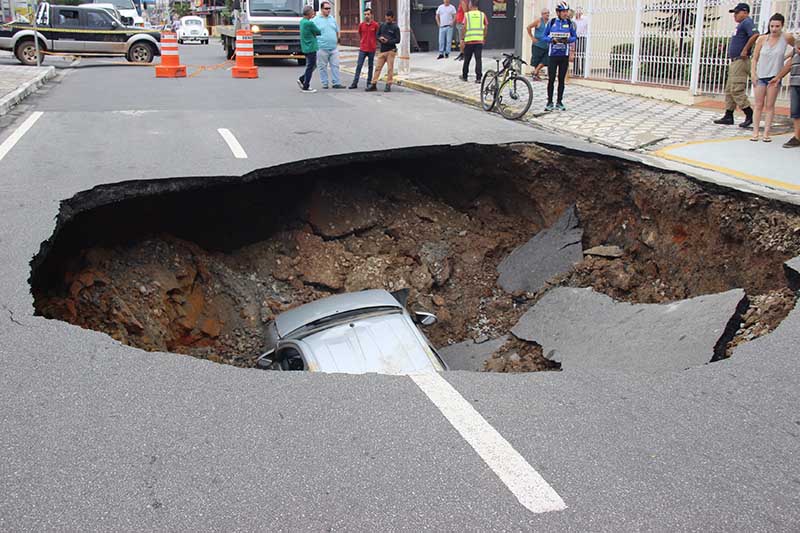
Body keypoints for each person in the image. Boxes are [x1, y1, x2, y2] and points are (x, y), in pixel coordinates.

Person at [749, 14, 794, 141]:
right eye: (772, 26)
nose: (774, 29)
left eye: (777, 26)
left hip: (775, 76)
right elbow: (755, 58)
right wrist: (753, 73)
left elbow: (797, 48)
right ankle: (755, 132)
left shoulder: (786, 38)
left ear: (782, 26)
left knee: (770, 105)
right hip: (761, 75)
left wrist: (785, 58)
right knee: (758, 104)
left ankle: (766, 133)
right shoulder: (762, 39)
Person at [713, 3, 759, 127]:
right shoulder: (740, 25)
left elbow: (755, 35)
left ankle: (749, 114)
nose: (735, 15)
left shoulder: (747, 22)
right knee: (729, 89)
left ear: (745, 12)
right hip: (735, 61)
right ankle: (729, 115)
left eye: (737, 12)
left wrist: (745, 49)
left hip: (740, 61)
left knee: (736, 89)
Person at [541, 1, 576, 111]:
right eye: (563, 12)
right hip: (553, 56)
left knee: (561, 79)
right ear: (558, 12)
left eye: (566, 11)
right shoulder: (551, 23)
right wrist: (552, 40)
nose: (565, 13)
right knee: (551, 79)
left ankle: (559, 101)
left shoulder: (569, 23)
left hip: (563, 56)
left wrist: (568, 40)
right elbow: (543, 36)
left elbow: (575, 37)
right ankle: (549, 102)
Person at [770, 37, 800, 148]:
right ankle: (797, 137)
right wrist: (778, 77)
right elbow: (790, 63)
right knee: (796, 112)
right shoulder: (797, 44)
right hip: (795, 82)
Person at [314, 1, 345, 89]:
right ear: (321, 9)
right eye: (326, 8)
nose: (328, 10)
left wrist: (337, 40)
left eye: (329, 8)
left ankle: (336, 82)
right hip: (321, 47)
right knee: (322, 66)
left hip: (333, 47)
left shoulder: (332, 19)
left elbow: (336, 30)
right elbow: (312, 33)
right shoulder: (316, 20)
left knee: (335, 65)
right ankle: (324, 83)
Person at [367, 10, 401, 92]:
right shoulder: (382, 25)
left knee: (390, 68)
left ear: (392, 18)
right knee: (378, 68)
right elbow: (377, 35)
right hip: (382, 50)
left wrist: (388, 41)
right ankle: (373, 84)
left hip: (391, 51)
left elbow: (398, 40)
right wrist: (380, 39)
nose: (387, 20)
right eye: (386, 18)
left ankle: (388, 84)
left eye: (389, 19)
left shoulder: (395, 27)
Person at [350, 7, 379, 89]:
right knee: (359, 65)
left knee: (370, 66)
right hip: (363, 48)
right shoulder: (361, 25)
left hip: (372, 49)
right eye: (365, 14)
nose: (366, 16)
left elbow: (377, 35)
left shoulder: (375, 25)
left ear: (371, 15)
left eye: (368, 14)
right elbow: (360, 34)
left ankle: (369, 83)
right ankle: (354, 83)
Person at [460, 0, 487, 83]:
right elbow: (486, 27)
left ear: (471, 5)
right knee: (478, 59)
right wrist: (484, 37)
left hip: (469, 41)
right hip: (479, 41)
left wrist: (462, 38)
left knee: (467, 59)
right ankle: (478, 78)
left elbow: (464, 27)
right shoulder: (482, 15)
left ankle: (465, 76)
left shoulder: (467, 15)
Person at [297, 5, 321, 93]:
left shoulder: (302, 22)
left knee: (312, 65)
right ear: (308, 13)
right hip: (311, 46)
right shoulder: (309, 23)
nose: (313, 13)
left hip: (305, 46)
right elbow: (318, 31)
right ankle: (306, 85)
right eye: (312, 12)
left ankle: (302, 79)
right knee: (311, 66)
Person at [526, 8, 550, 81]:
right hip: (538, 44)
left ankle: (535, 71)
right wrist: (532, 37)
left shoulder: (549, 22)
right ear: (542, 14)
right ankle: (536, 75)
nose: (547, 14)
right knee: (537, 60)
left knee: (546, 59)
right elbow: (528, 27)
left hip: (546, 45)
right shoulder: (538, 21)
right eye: (546, 13)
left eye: (548, 13)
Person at [573, 6, 588, 76]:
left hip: (583, 38)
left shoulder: (585, 19)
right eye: (576, 13)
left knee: (582, 55)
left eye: (579, 12)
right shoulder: (573, 20)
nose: (577, 14)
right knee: (575, 55)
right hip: (575, 38)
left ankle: (583, 71)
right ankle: (576, 71)